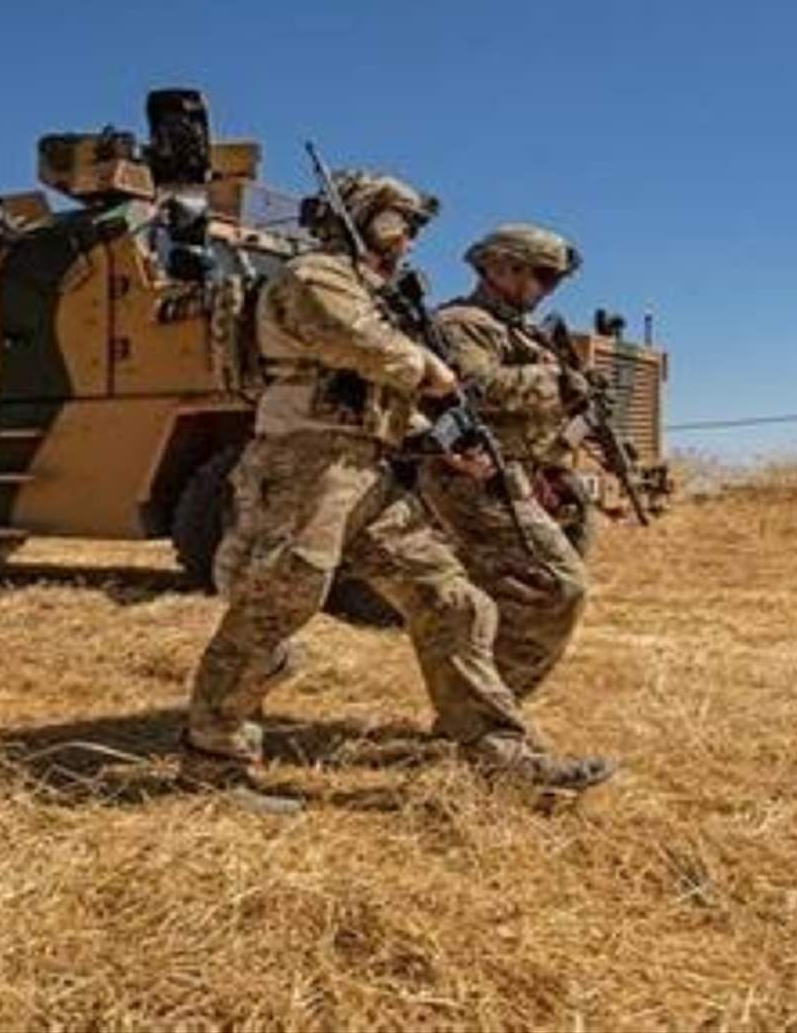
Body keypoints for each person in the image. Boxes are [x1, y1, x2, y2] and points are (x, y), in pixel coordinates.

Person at [179, 172, 614, 810]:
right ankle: (212, 762)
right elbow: (365, 346)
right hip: (307, 466)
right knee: (273, 610)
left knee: (453, 601)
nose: (409, 239)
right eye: (401, 223)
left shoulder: (370, 292)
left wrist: (442, 443)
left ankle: (499, 752)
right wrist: (429, 368)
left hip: (370, 470)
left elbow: (381, 401)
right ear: (364, 217)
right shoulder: (315, 277)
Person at [416, 225, 593, 708]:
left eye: (555, 280)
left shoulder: (523, 332)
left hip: (522, 475)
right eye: (543, 276)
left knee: (517, 597)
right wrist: (555, 382)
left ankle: (485, 712)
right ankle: (486, 712)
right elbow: (472, 387)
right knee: (559, 587)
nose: (549, 288)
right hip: (474, 476)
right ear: (501, 268)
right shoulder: (461, 322)